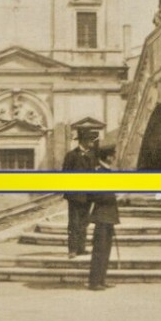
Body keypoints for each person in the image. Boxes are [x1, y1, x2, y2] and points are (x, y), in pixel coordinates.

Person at [61, 123, 101, 256]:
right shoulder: (71, 156)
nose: (92, 142)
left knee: (84, 222)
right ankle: (72, 249)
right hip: (74, 196)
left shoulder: (92, 156)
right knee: (74, 223)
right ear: (83, 140)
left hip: (88, 196)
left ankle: (81, 248)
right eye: (90, 140)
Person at [86, 144, 120, 291]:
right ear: (107, 157)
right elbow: (94, 195)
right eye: (113, 155)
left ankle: (101, 279)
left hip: (108, 216)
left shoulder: (107, 172)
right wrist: (114, 195)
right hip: (101, 215)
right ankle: (94, 282)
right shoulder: (98, 172)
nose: (114, 157)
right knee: (99, 250)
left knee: (106, 250)